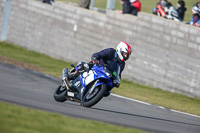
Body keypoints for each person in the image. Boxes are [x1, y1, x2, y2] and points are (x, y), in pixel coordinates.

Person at [62, 41, 132, 95]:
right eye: (125, 54)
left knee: (108, 90)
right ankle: (70, 77)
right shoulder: (111, 51)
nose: (126, 56)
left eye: (127, 55)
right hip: (96, 66)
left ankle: (94, 92)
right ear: (120, 50)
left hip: (105, 75)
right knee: (85, 66)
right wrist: (95, 58)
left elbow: (118, 73)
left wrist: (117, 80)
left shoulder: (122, 64)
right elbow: (99, 54)